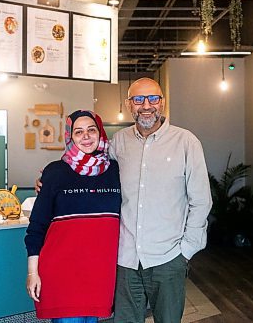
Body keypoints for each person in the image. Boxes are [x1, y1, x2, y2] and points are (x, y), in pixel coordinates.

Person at [36, 78, 212, 323]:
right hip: (125, 260)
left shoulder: (186, 142)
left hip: (168, 257)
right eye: (138, 99)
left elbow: (201, 201)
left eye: (153, 98)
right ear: (130, 105)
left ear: (163, 103)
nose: (146, 105)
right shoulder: (118, 142)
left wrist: (186, 251)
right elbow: (88, 164)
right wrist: (51, 181)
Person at [25, 110, 121, 323]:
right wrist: (33, 272)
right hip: (62, 275)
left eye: (91, 130)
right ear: (70, 136)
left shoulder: (116, 171)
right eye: (78, 132)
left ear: (100, 133)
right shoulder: (55, 172)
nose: (86, 136)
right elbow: (36, 226)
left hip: (99, 275)